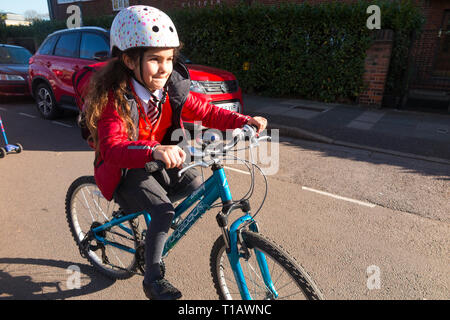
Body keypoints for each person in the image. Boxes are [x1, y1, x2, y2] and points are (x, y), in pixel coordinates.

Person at [84, 5, 267, 300]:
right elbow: (112, 147)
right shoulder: (114, 100)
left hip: (160, 157)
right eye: (155, 59)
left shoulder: (171, 90)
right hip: (126, 167)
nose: (165, 67)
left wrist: (244, 121)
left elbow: (206, 111)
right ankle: (152, 277)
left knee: (195, 185)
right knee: (163, 210)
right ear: (130, 60)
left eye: (169, 59)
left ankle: (155, 224)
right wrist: (153, 150)